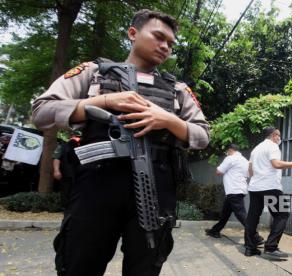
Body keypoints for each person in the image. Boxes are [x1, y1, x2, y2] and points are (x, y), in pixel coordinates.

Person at [32, 9, 209, 276]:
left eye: (171, 44)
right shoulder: (93, 72)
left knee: (146, 266)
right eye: (159, 37)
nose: (165, 47)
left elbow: (203, 135)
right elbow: (41, 111)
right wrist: (102, 101)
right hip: (98, 184)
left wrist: (167, 120)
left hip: (156, 188)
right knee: (79, 263)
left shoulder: (178, 90)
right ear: (133, 33)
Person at [244, 127, 292, 259]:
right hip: (270, 186)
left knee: (253, 217)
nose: (279, 138)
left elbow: (250, 170)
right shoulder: (273, 146)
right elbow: (276, 164)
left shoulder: (256, 149)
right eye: (278, 136)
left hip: (254, 187)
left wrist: (257, 178)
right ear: (274, 135)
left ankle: (249, 248)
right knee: (282, 214)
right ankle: (271, 247)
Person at [205, 144, 263, 245]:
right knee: (225, 214)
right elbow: (249, 175)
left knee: (241, 215)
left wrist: (223, 168)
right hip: (239, 190)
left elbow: (219, 171)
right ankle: (215, 230)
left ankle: (255, 236)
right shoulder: (244, 160)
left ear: (230, 150)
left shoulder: (230, 158)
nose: (226, 153)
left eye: (227, 151)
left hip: (233, 190)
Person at [52, 135, 81, 207]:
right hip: (67, 174)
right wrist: (56, 171)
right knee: (66, 191)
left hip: (79, 173)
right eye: (76, 137)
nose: (77, 139)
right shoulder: (63, 146)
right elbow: (56, 158)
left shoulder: (82, 145)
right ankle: (67, 208)